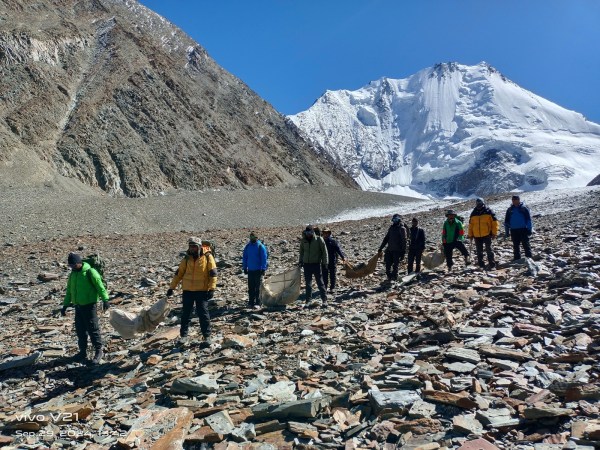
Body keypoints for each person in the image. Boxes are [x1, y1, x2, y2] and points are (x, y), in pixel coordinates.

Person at [167, 237, 218, 343]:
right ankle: (183, 336)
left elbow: (213, 273)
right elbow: (179, 273)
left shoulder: (207, 257)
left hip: (202, 290)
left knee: (203, 314)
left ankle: (207, 336)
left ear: (199, 247)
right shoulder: (186, 258)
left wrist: (212, 288)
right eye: (190, 246)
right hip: (188, 290)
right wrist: (172, 287)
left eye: (194, 246)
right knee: (186, 314)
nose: (192, 248)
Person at [61, 252, 109, 365]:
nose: (71, 267)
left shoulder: (90, 272)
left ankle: (98, 351)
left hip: (90, 305)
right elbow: (69, 291)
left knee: (93, 329)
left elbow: (100, 286)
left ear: (79, 262)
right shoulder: (73, 274)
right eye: (70, 265)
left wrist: (105, 300)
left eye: (73, 265)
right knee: (80, 330)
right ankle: (82, 352)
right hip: (78, 306)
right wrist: (65, 305)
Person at [299, 225, 329, 306]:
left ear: (313, 232)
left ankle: (324, 300)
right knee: (308, 284)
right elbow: (301, 252)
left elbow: (324, 252)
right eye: (307, 232)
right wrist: (300, 261)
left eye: (310, 232)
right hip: (306, 265)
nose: (309, 234)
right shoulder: (303, 240)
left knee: (320, 282)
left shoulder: (319, 239)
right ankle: (308, 301)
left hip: (316, 264)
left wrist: (325, 263)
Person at [468, 197, 499, 269]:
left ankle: (492, 264)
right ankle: (481, 265)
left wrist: (494, 233)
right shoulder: (474, 213)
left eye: (480, 203)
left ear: (483, 203)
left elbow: (495, 223)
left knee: (489, 250)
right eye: (477, 203)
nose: (479, 205)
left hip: (487, 234)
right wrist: (470, 234)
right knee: (479, 251)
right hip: (476, 235)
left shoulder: (488, 211)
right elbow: (471, 225)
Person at [242, 231, 268, 309]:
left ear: (256, 238)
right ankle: (251, 302)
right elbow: (245, 257)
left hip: (258, 270)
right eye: (251, 237)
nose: (252, 239)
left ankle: (258, 302)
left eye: (253, 237)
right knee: (251, 287)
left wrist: (263, 268)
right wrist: (244, 267)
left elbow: (264, 258)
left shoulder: (260, 246)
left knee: (258, 287)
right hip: (250, 270)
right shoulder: (247, 247)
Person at [378, 214, 407, 282]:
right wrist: (381, 248)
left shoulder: (402, 229)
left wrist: (403, 252)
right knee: (387, 264)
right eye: (393, 220)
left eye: (396, 220)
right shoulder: (391, 228)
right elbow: (386, 238)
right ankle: (389, 277)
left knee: (395, 265)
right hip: (389, 249)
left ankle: (394, 278)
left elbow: (404, 241)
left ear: (399, 220)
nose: (394, 221)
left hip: (397, 251)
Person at [504, 195, 533, 260]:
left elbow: (528, 219)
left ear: (519, 200)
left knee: (526, 244)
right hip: (513, 230)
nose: (514, 201)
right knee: (515, 245)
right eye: (513, 200)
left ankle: (529, 258)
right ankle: (517, 258)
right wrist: (507, 231)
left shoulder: (524, 208)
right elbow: (506, 221)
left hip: (523, 229)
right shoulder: (509, 210)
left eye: (515, 199)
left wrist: (529, 229)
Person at [321, 228, 346, 293]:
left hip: (332, 260)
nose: (325, 234)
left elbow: (338, 250)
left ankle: (332, 288)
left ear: (329, 233)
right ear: (323, 234)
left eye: (327, 233)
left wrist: (343, 257)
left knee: (332, 275)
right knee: (324, 275)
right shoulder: (321, 242)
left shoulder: (333, 241)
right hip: (324, 261)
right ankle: (325, 288)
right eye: (324, 233)